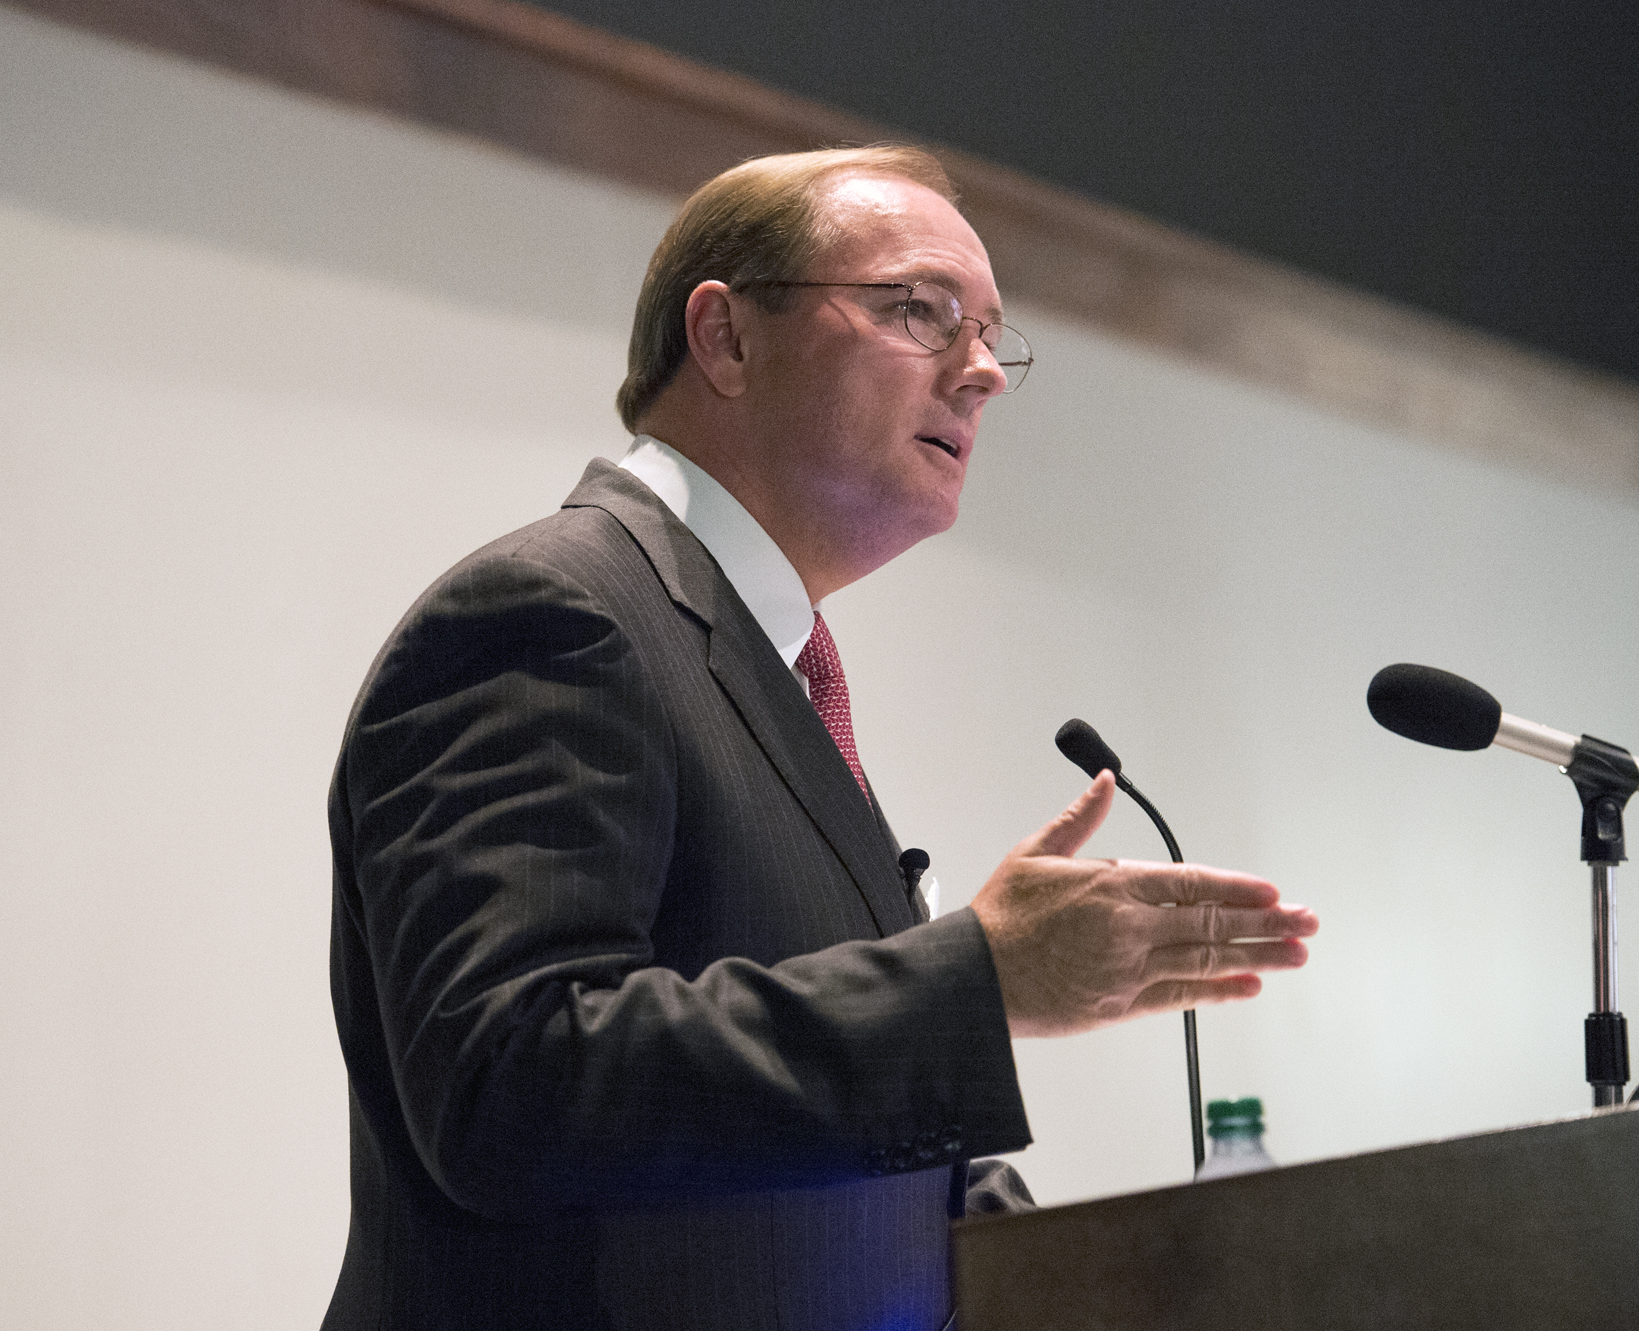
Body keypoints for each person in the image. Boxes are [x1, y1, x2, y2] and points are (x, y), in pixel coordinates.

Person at [322, 145, 1317, 1331]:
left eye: (992, 331)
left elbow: (803, 1156)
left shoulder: (761, 660)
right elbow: (513, 1081)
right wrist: (974, 980)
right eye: (920, 309)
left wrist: (1105, 1274)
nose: (983, 371)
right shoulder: (558, 612)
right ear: (726, 336)